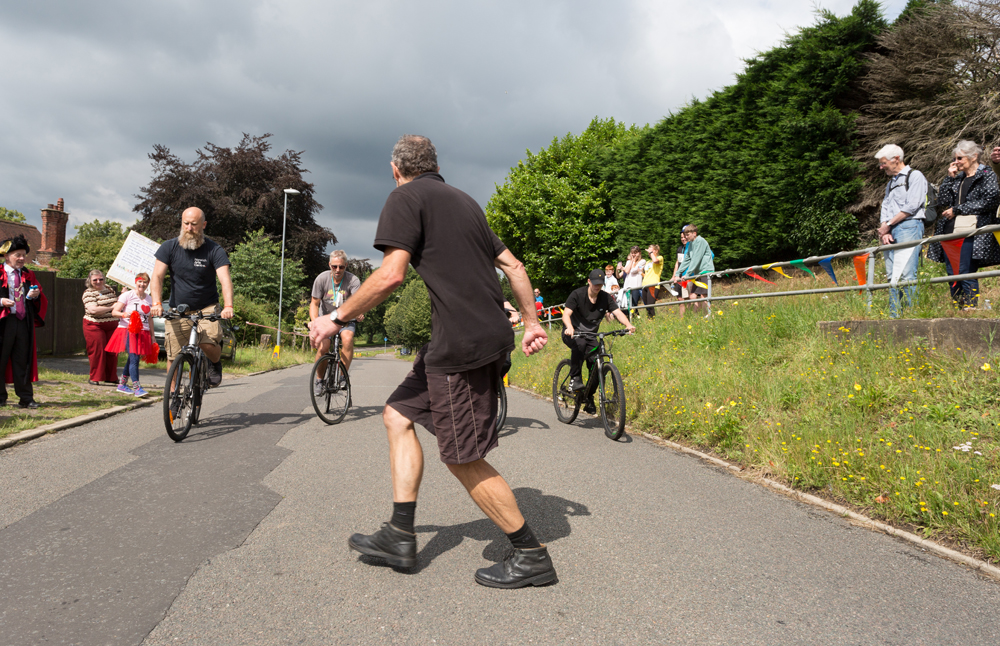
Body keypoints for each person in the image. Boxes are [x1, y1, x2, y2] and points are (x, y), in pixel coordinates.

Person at [308, 135, 554, 589]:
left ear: (395, 169)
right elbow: (515, 268)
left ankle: (530, 554)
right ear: (435, 166)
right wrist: (533, 322)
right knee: (397, 414)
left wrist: (334, 318)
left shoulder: (405, 197)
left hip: (463, 345)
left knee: (462, 457)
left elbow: (391, 274)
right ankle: (400, 535)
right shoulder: (466, 203)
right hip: (460, 339)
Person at [149, 207, 235, 387]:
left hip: (207, 308)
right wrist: (156, 303)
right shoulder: (169, 247)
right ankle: (172, 395)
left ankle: (214, 363)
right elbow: (157, 276)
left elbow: (225, 280)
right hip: (178, 309)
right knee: (173, 355)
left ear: (203, 225)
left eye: (194, 224)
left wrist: (228, 306)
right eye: (185, 223)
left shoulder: (214, 250)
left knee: (208, 343)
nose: (189, 228)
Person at [926, 141, 1000, 309]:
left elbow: (990, 201)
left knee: (965, 270)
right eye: (954, 159)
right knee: (952, 273)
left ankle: (970, 307)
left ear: (974, 157)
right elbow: (943, 201)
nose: (956, 162)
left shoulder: (986, 174)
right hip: (950, 230)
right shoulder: (958, 177)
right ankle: (958, 307)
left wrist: (958, 209)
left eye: (960, 158)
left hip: (971, 229)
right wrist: (949, 178)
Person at [561, 269, 635, 414]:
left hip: (590, 336)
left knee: (598, 363)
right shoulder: (577, 294)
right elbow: (566, 314)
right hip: (573, 333)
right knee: (580, 344)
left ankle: (588, 396)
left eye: (600, 284)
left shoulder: (605, 297)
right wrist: (569, 327)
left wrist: (628, 325)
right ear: (589, 282)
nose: (597, 286)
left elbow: (617, 312)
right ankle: (575, 378)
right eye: (595, 283)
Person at [874, 144, 928, 317]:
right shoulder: (891, 183)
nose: (881, 167)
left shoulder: (915, 176)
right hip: (892, 230)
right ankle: (895, 315)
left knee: (906, 273)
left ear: (896, 159)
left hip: (909, 226)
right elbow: (885, 206)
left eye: (883, 163)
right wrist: (885, 229)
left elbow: (913, 205)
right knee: (892, 275)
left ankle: (912, 315)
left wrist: (888, 224)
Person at [0, 235, 47, 408]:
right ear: (6, 256)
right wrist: (1, 301)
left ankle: (26, 398)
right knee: (0, 360)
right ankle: (0, 397)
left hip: (22, 322)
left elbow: (37, 295)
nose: (21, 258)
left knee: (23, 360)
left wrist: (34, 295)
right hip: (3, 323)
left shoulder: (28, 274)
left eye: (23, 255)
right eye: (17, 255)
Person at [309, 250, 363, 396]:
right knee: (324, 346)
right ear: (329, 265)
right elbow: (314, 303)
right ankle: (319, 380)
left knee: (347, 339)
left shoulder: (353, 281)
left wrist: (359, 312)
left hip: (346, 319)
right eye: (334, 266)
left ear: (346, 266)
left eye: (341, 267)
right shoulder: (321, 279)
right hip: (326, 320)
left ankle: (342, 377)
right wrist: (315, 322)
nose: (337, 270)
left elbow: (358, 302)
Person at [105, 273, 155, 397]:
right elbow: (114, 312)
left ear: (148, 284)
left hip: (143, 332)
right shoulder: (127, 295)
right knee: (134, 359)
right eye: (140, 282)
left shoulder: (149, 299)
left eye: (145, 282)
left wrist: (152, 336)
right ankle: (137, 388)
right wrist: (123, 314)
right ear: (135, 282)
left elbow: (150, 319)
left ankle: (122, 384)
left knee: (133, 357)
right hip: (129, 330)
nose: (142, 284)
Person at [81, 269, 120, 386]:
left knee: (112, 351)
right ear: (89, 281)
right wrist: (112, 307)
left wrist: (122, 296)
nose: (98, 282)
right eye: (95, 280)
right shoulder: (88, 293)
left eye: (100, 279)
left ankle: (111, 377)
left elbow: (117, 302)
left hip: (112, 324)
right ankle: (95, 377)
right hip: (95, 325)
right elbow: (93, 310)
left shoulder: (108, 288)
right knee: (97, 352)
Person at [672, 225, 715, 314]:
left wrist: (687, 274)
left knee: (703, 296)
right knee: (692, 296)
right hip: (698, 273)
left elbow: (696, 259)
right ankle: (695, 318)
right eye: (685, 235)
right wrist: (677, 274)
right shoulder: (691, 243)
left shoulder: (700, 241)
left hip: (705, 271)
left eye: (687, 235)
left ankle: (707, 316)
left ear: (694, 233)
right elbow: (687, 259)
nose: (686, 237)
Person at [620, 246, 646, 318]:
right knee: (627, 304)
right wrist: (631, 261)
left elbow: (633, 271)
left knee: (634, 304)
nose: (633, 254)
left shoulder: (642, 261)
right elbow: (627, 271)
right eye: (632, 253)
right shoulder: (628, 262)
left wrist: (634, 262)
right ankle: (633, 318)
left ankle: (636, 318)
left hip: (636, 285)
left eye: (635, 253)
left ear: (639, 253)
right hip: (627, 285)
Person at [640, 243, 662, 318]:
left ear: (656, 251)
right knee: (647, 306)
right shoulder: (648, 262)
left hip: (653, 284)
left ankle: (653, 320)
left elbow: (655, 261)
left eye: (651, 251)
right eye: (649, 251)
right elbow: (646, 275)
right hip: (644, 285)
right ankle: (650, 319)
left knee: (650, 304)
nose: (649, 253)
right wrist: (640, 272)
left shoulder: (660, 258)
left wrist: (651, 253)